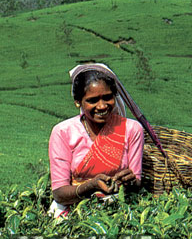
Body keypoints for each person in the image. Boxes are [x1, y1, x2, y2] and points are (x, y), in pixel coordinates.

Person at [48, 64, 144, 218]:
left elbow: (137, 182)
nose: (102, 106)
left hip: (118, 209)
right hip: (74, 210)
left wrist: (130, 182)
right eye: (92, 100)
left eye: (107, 97)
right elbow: (59, 193)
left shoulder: (132, 129)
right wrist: (90, 186)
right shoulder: (63, 132)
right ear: (78, 102)